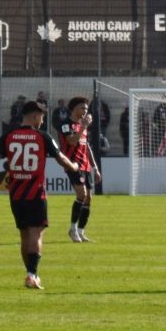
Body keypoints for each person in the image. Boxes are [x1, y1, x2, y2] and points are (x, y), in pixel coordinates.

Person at [0, 100, 79, 289]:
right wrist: (74, 166)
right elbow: (61, 158)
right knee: (36, 234)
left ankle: (30, 273)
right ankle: (32, 274)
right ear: (35, 115)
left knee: (24, 236)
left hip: (16, 195)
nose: (42, 121)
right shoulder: (42, 136)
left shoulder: (8, 135)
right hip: (36, 194)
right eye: (42, 117)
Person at [60, 97, 97, 242]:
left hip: (86, 165)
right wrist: (83, 127)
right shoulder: (66, 125)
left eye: (87, 109)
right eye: (83, 108)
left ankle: (81, 232)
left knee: (89, 198)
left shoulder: (83, 126)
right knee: (81, 194)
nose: (85, 111)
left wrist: (95, 167)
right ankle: (72, 229)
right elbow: (71, 141)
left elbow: (87, 147)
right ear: (74, 108)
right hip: (73, 165)